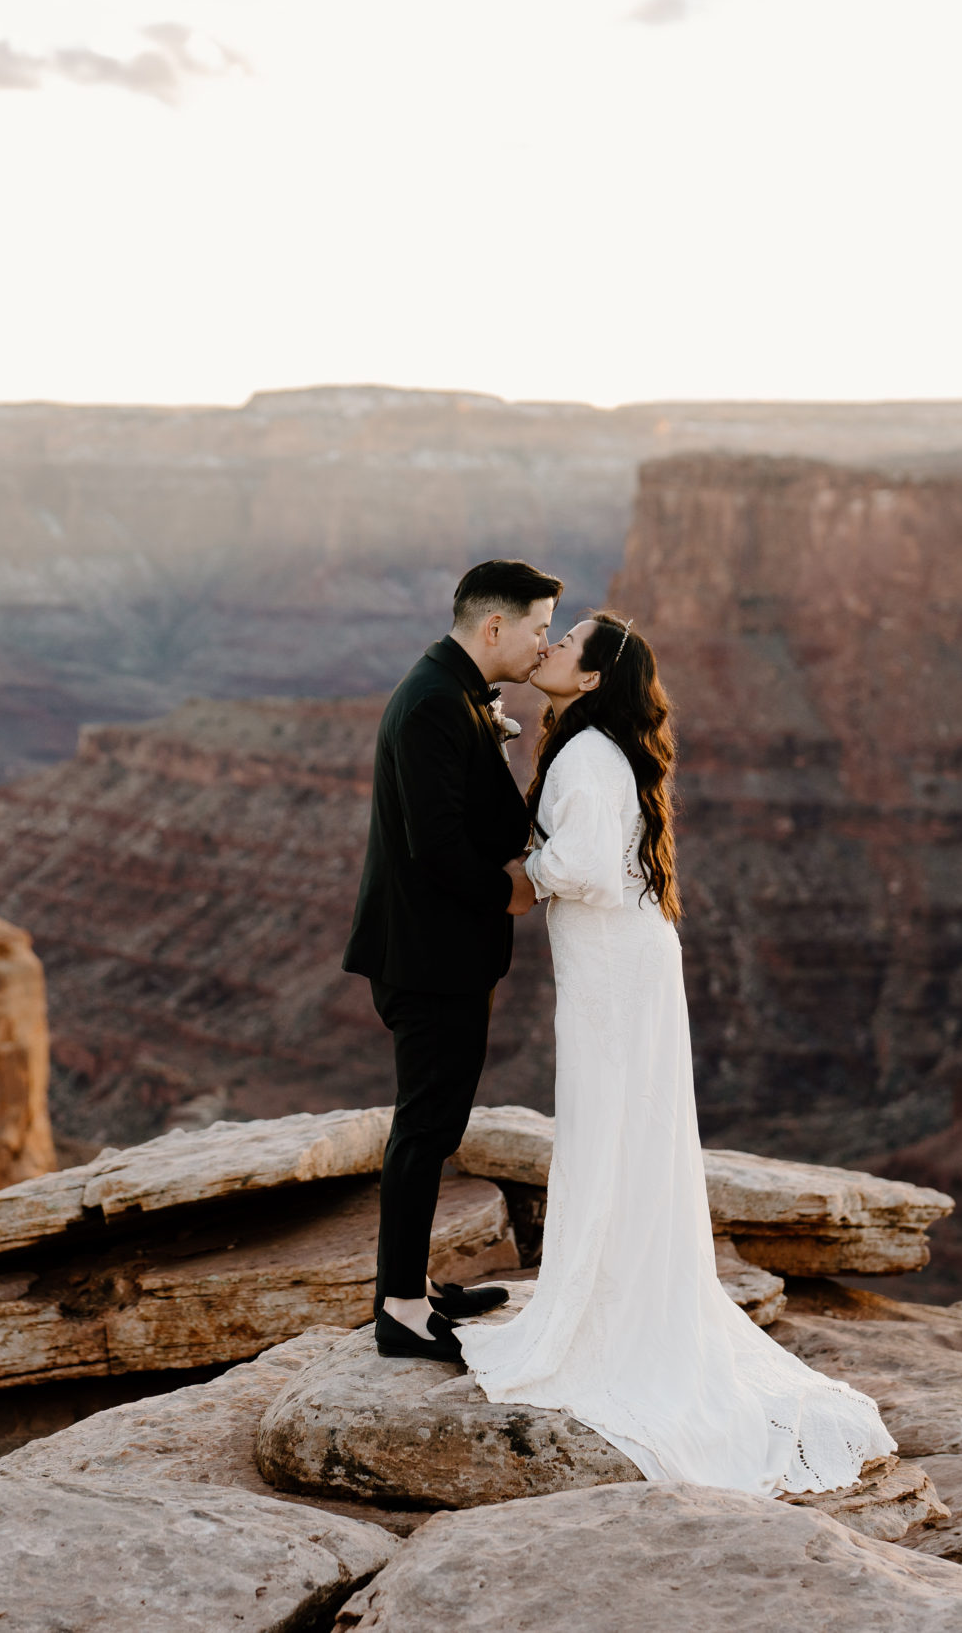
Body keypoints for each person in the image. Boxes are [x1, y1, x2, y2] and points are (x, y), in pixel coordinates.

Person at [453, 611, 895, 1494]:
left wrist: (483, 878)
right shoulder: (598, 746)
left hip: (614, 973)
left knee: (612, 1126)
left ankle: (611, 1326)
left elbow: (576, 866)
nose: (548, 648)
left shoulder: (584, 755)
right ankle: (623, 1298)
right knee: (629, 1130)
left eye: (565, 642)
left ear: (591, 679)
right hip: (627, 960)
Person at [344, 559, 559, 1361]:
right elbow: (432, 845)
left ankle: (413, 1280)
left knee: (433, 1125)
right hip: (427, 957)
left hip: (438, 953)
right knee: (423, 1127)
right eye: (538, 629)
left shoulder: (453, 689)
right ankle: (398, 1309)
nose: (543, 644)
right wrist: (509, 894)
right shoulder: (436, 702)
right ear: (494, 627)